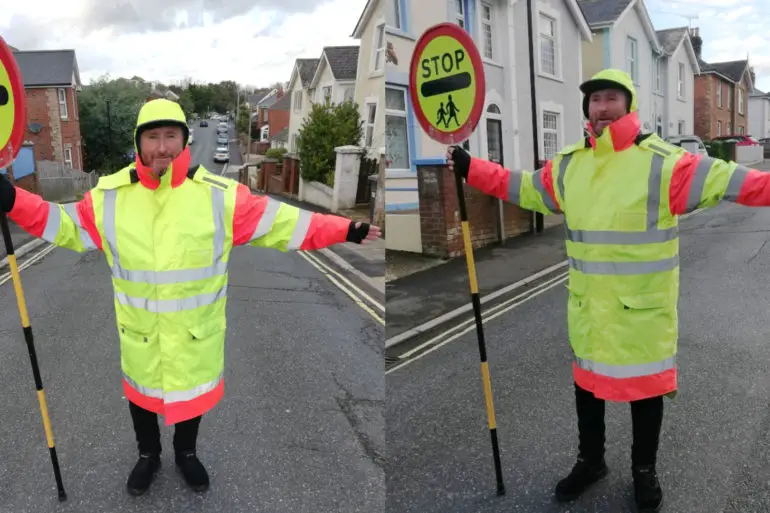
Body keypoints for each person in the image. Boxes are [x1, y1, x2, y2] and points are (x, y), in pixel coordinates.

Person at [0, 99, 381, 497]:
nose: (161, 147)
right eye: (152, 137)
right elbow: (63, 225)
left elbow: (286, 222)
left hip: (195, 334)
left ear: (184, 141)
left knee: (191, 395)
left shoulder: (221, 197)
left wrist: (343, 229)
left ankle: (186, 453)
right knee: (142, 398)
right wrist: (12, 200)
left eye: (170, 136)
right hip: (141, 333)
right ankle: (148, 455)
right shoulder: (110, 197)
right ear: (139, 143)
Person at [446, 68, 770, 512]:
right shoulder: (570, 165)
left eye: (610, 98)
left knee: (645, 395)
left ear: (628, 105)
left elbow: (739, 182)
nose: (601, 108)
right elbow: (521, 187)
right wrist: (472, 169)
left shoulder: (663, 163)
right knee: (588, 391)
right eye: (594, 99)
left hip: (641, 313)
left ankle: (644, 472)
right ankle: (591, 462)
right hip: (589, 311)